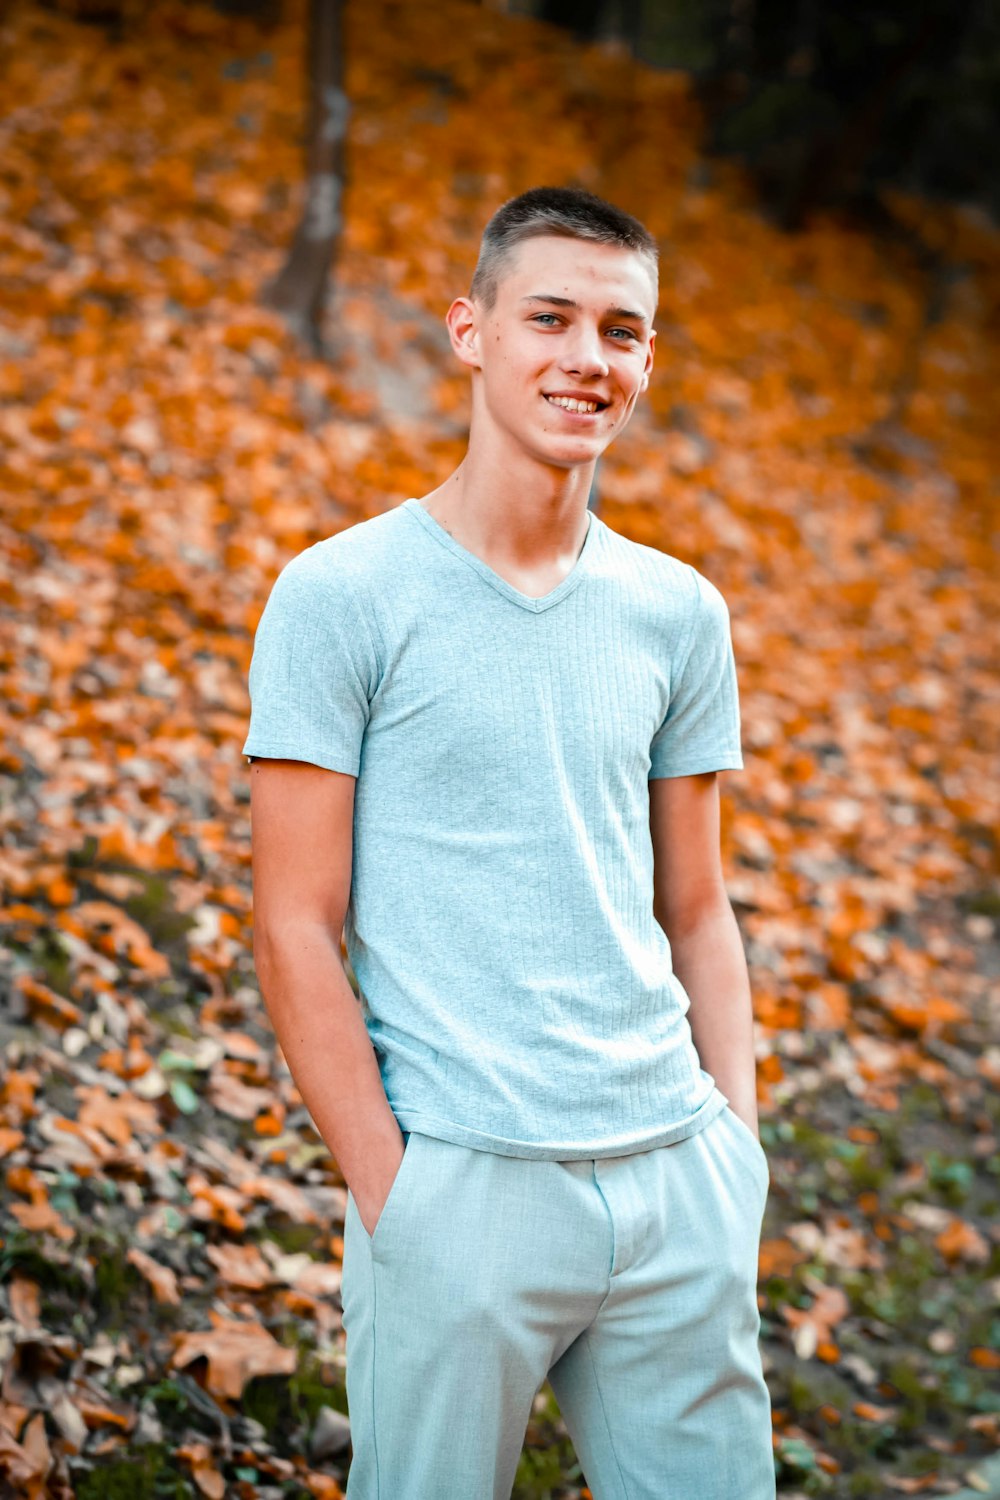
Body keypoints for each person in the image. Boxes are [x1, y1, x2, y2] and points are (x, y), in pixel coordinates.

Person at [243, 186, 775, 1500]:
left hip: (675, 1187)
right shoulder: (341, 596)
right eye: (550, 317)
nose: (585, 359)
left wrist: (736, 1154)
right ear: (469, 331)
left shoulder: (679, 613)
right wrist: (397, 1198)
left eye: (620, 330)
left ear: (648, 360)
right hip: (462, 1190)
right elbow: (294, 921)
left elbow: (698, 908)